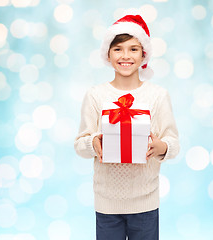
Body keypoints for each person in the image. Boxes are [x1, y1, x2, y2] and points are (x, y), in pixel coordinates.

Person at [74, 14, 179, 240]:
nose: (125, 56)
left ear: (144, 55)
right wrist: (93, 143)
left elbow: (174, 144)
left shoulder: (158, 96)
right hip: (107, 203)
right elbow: (80, 145)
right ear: (108, 54)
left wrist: (160, 147)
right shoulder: (96, 95)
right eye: (118, 49)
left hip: (145, 202)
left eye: (133, 49)